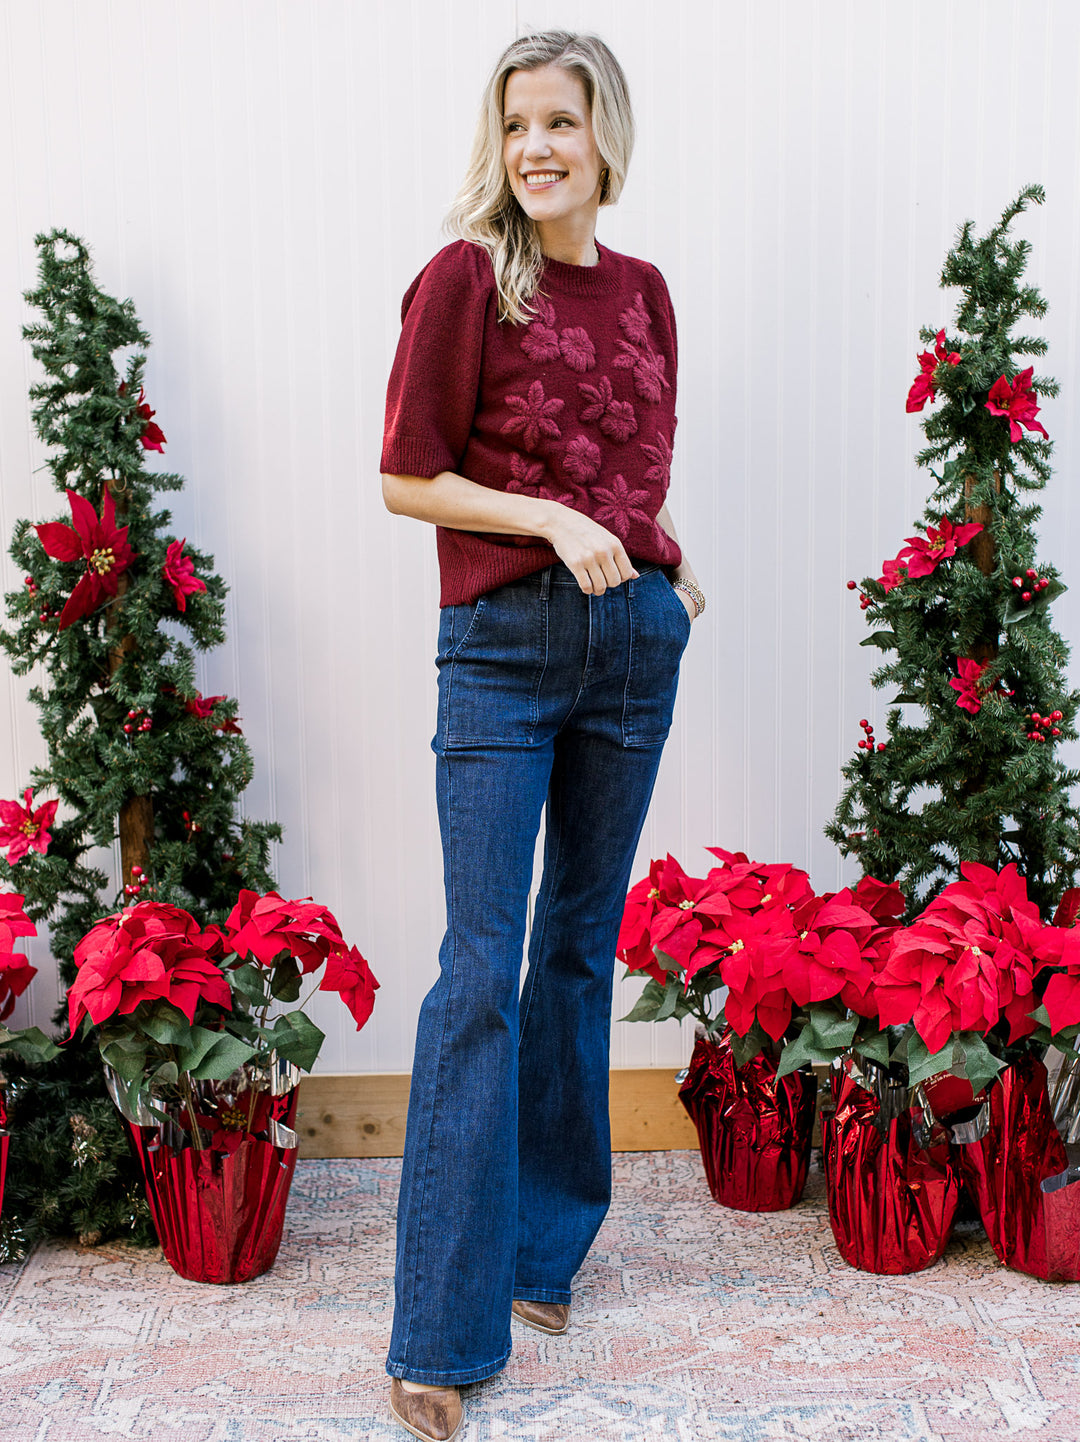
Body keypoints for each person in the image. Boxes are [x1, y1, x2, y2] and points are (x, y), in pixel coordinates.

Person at [379, 29, 704, 1442]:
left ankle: (543, 1251)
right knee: (478, 970)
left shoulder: (646, 293)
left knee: (578, 949)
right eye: (517, 124)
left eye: (560, 121)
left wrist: (665, 556)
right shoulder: (465, 278)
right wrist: (552, 522)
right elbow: (407, 477)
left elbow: (620, 465)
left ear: (604, 136)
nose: (535, 148)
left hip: (632, 644)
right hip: (501, 656)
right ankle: (441, 1336)